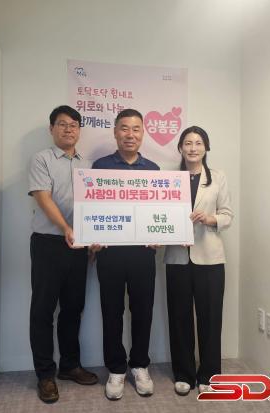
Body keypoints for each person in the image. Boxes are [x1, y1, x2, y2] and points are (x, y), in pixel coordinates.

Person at [28, 105, 98, 404]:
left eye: (74, 125)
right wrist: (67, 228)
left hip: (79, 247)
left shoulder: (88, 165)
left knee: (73, 308)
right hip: (48, 243)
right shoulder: (42, 159)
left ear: (80, 130)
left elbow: (95, 204)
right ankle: (45, 375)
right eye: (62, 124)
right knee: (43, 310)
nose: (69, 129)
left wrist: (93, 237)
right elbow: (43, 197)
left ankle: (70, 365)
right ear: (51, 128)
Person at [92, 109, 160, 400]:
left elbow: (159, 211)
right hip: (110, 253)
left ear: (142, 133)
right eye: (124, 128)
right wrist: (92, 234)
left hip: (143, 254)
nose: (130, 134)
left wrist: (160, 234)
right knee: (112, 312)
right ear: (115, 132)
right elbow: (92, 208)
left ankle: (140, 365)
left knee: (143, 311)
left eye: (135, 129)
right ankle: (116, 369)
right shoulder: (100, 166)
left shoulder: (153, 170)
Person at [163, 126, 234, 396]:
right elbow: (159, 217)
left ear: (206, 148)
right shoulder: (169, 180)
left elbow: (227, 214)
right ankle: (184, 374)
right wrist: (169, 232)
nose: (193, 148)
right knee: (179, 317)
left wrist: (210, 218)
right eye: (188, 143)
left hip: (210, 258)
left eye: (198, 143)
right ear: (180, 148)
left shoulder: (218, 177)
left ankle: (209, 374)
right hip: (177, 257)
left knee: (210, 318)